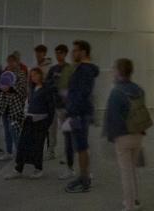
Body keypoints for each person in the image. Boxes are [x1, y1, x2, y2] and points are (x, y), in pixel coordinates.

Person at [104, 58, 149, 211]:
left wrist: (111, 137)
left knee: (126, 174)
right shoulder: (139, 89)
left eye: (113, 69)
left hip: (123, 137)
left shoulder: (116, 92)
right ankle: (136, 201)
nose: (112, 71)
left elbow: (112, 118)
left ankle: (129, 206)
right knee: (132, 170)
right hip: (138, 135)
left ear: (118, 71)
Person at [5, 67, 57, 180]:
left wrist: (47, 123)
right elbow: (28, 104)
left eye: (36, 75)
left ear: (40, 75)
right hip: (29, 120)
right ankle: (18, 169)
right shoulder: (32, 89)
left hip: (41, 121)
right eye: (32, 75)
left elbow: (51, 107)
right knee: (23, 144)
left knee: (37, 146)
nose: (34, 77)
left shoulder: (46, 89)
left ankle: (38, 169)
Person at [64, 39, 99, 193]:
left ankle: (84, 180)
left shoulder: (84, 70)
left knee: (81, 147)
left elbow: (82, 93)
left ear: (84, 52)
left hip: (79, 113)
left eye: (76, 50)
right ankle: (83, 176)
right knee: (81, 147)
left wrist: (73, 112)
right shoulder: (81, 69)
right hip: (79, 112)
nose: (73, 53)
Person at [46, 44, 76, 177]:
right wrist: (54, 84)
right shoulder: (53, 68)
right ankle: (51, 150)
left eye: (60, 53)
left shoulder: (69, 69)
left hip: (64, 106)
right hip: (53, 104)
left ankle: (67, 155)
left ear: (65, 54)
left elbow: (71, 86)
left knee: (66, 132)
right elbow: (48, 83)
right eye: (56, 53)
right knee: (51, 130)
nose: (58, 55)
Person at [0, 54, 27, 161]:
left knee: (14, 131)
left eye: (12, 61)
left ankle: (20, 153)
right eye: (8, 62)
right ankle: (9, 152)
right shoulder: (4, 74)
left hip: (15, 107)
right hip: (4, 106)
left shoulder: (21, 74)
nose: (10, 64)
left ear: (17, 62)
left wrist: (10, 88)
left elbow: (22, 90)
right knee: (7, 131)